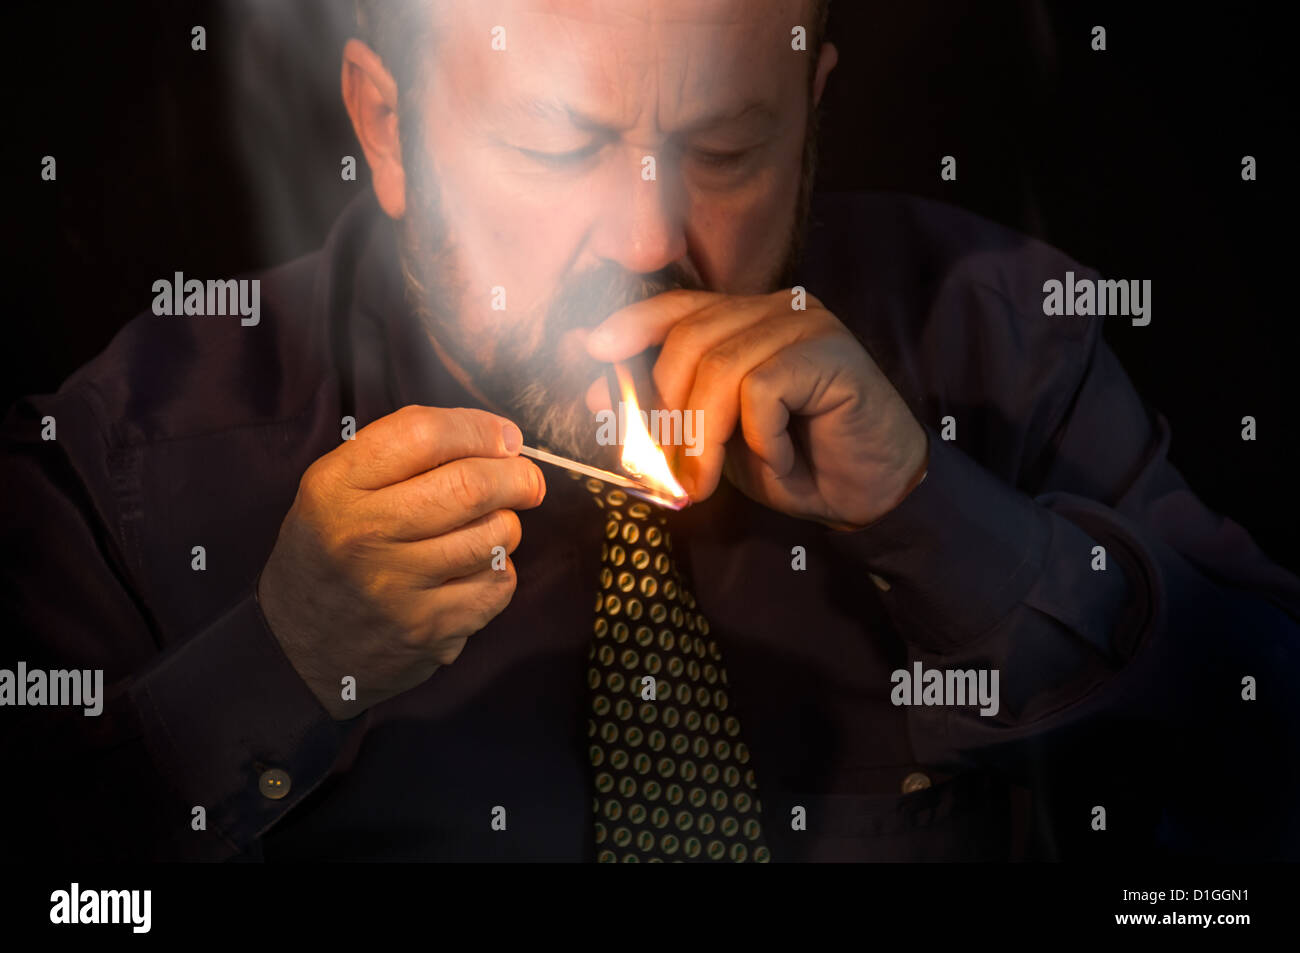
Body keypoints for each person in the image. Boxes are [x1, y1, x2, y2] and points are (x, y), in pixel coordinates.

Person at [3, 0, 1297, 862]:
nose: (645, 240)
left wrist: (945, 523)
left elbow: (1268, 758)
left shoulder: (998, 333)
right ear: (388, 129)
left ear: (812, 113)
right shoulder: (135, 459)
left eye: (727, 148)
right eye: (561, 145)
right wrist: (275, 667)